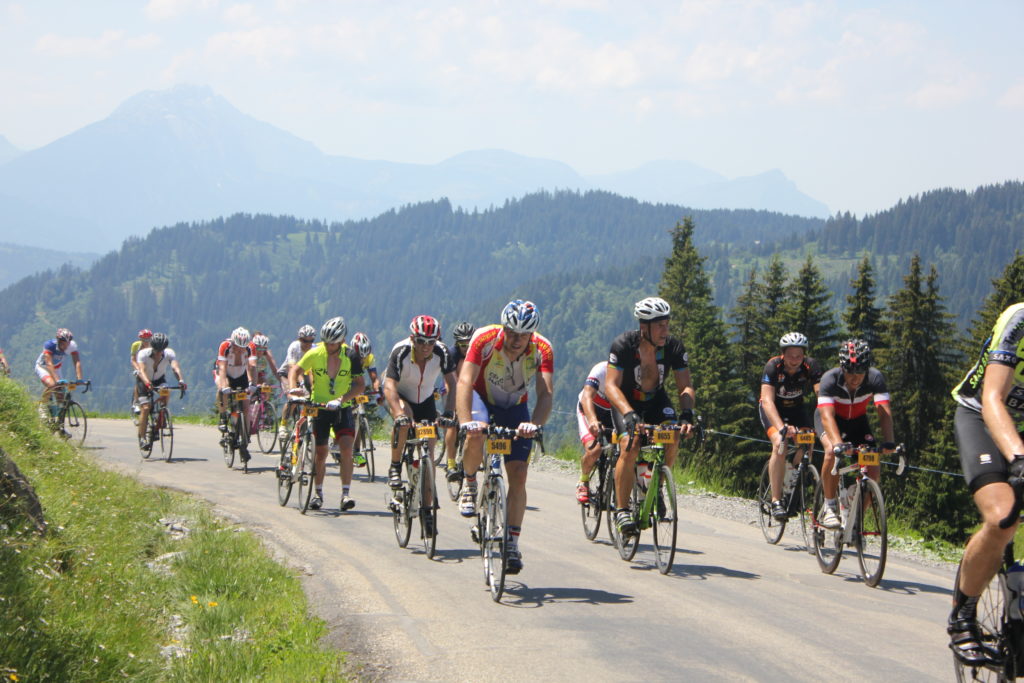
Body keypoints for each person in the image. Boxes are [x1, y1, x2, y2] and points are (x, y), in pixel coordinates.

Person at [947, 302, 1024, 665]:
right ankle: (963, 616)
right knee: (1001, 517)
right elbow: (993, 397)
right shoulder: (1019, 319)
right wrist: (1018, 458)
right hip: (982, 415)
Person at [457, 300, 553, 575]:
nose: (516, 339)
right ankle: (470, 482)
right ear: (504, 327)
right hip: (481, 398)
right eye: (511, 332)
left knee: (519, 473)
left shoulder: (543, 349)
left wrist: (534, 424)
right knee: (475, 435)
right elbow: (464, 382)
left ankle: (511, 543)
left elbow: (546, 393)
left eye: (523, 335)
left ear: (532, 334)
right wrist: (466, 422)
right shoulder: (484, 339)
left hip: (515, 406)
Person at [605, 297, 695, 536]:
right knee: (630, 444)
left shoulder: (673, 348)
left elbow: (685, 386)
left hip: (656, 400)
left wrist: (687, 413)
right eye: (660, 326)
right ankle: (622, 509)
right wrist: (629, 413)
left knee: (672, 437)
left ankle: (657, 488)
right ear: (644, 327)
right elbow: (611, 386)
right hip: (625, 401)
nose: (665, 330)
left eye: (667, 324)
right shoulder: (623, 345)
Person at [814, 339, 896, 530]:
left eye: (860, 372)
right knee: (831, 452)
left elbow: (884, 411)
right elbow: (826, 415)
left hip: (858, 422)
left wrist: (889, 442)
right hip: (830, 419)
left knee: (873, 470)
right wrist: (838, 443)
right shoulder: (829, 379)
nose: (855, 377)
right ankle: (830, 506)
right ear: (842, 368)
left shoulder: (875, 378)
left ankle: (856, 518)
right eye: (850, 372)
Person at [287, 316, 364, 511]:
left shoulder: (351, 356)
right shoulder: (316, 353)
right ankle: (317, 494)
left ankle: (346, 494)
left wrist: (341, 400)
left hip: (342, 408)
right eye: (327, 343)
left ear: (342, 341)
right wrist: (293, 388)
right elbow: (295, 370)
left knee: (347, 448)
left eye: (333, 343)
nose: (329, 347)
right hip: (319, 408)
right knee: (321, 453)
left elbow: (360, 385)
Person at [383, 316, 457, 495]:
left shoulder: (442, 352)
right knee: (404, 420)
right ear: (412, 338)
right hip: (401, 396)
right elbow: (389, 385)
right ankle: (395, 466)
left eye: (431, 342)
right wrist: (398, 413)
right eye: (421, 341)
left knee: (429, 454)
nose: (426, 346)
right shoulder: (401, 351)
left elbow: (452, 384)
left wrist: (448, 412)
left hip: (425, 400)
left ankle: (427, 510)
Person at [758, 332, 823, 520]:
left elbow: (821, 395)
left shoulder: (811, 366)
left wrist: (824, 420)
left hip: (796, 409)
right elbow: (767, 401)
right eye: (790, 355)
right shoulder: (773, 366)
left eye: (799, 356)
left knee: (808, 442)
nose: (795, 360)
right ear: (783, 354)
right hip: (772, 409)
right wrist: (781, 429)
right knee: (780, 444)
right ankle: (776, 499)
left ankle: (794, 482)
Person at [136, 333, 186, 451]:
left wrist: (181, 380)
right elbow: (141, 371)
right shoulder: (143, 354)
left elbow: (175, 367)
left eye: (161, 350)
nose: (159, 353)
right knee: (146, 408)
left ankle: (162, 414)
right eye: (156, 350)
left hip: (159, 380)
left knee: (166, 391)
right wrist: (148, 383)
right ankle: (142, 438)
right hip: (144, 380)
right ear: (152, 347)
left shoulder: (169, 353)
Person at [215, 327, 257, 462]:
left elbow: (252, 366)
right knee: (222, 390)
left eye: (243, 347)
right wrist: (225, 386)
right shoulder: (225, 346)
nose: (240, 350)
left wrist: (253, 384)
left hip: (241, 374)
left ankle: (245, 438)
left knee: (245, 406)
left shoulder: (250, 347)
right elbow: (222, 368)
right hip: (226, 373)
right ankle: (222, 416)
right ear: (233, 342)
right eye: (238, 347)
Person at [575, 360, 615, 503]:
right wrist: (592, 420)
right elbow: (587, 398)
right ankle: (583, 481)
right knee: (594, 451)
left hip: (612, 415)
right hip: (589, 410)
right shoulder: (600, 369)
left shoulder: (631, 374)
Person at [443, 321, 475, 480]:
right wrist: (456, 404)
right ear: (457, 342)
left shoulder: (477, 352)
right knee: (453, 424)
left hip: (472, 389)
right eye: (462, 344)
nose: (466, 347)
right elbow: (451, 382)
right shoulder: (451, 354)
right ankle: (450, 463)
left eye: (469, 344)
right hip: (455, 388)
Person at [277, 324, 317, 441]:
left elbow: (312, 371)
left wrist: (314, 387)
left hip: (304, 376)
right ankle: (283, 425)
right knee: (293, 398)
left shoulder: (314, 349)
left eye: (311, 341)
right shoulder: (294, 347)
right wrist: (299, 386)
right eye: (305, 340)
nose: (308, 343)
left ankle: (303, 423)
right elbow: (292, 369)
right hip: (287, 374)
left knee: (310, 399)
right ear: (300, 339)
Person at [350, 331, 381, 468]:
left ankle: (356, 452)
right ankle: (337, 441)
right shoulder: (347, 356)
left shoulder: (369, 358)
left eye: (365, 357)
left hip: (358, 384)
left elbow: (374, 378)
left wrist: (378, 391)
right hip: (346, 384)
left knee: (359, 417)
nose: (362, 360)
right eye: (360, 357)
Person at [36, 328, 83, 396]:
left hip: (56, 368)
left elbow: (77, 362)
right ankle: (42, 405)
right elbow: (49, 363)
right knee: (52, 385)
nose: (66, 346)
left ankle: (60, 406)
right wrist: (57, 379)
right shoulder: (50, 345)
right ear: (58, 341)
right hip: (43, 367)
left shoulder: (72, 346)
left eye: (68, 343)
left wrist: (79, 378)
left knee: (61, 395)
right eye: (63, 344)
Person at [130, 329, 153, 414]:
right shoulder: (136, 345)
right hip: (138, 365)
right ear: (140, 339)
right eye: (144, 339)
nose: (147, 341)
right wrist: (137, 369)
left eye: (149, 339)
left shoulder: (153, 346)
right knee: (139, 381)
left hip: (148, 366)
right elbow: (133, 359)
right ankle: (136, 402)